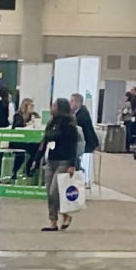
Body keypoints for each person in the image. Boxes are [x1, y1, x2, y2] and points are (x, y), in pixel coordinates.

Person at [39, 98, 80, 232]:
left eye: (54, 106)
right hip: (50, 160)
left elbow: (73, 146)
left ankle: (65, 214)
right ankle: (53, 221)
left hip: (64, 161)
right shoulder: (51, 124)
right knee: (49, 193)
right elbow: (45, 142)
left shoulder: (69, 126)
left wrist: (72, 164)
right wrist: (36, 159)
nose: (51, 108)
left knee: (54, 192)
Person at [8, 98, 41, 180]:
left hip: (28, 140)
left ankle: (30, 168)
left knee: (38, 147)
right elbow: (17, 127)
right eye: (31, 105)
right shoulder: (17, 116)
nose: (32, 107)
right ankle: (16, 171)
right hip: (17, 140)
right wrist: (27, 124)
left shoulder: (34, 116)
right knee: (22, 152)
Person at [70, 93, 99, 173]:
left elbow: (74, 128)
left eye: (72, 101)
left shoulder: (82, 115)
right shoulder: (79, 112)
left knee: (70, 151)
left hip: (87, 144)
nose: (70, 103)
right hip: (83, 142)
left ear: (78, 103)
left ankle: (77, 169)